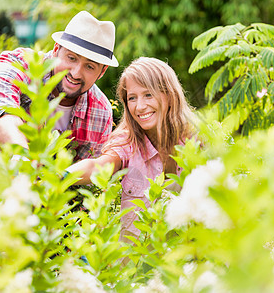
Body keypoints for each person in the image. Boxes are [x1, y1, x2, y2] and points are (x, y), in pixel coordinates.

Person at [0, 11, 119, 161]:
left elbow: (85, 177)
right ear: (56, 50)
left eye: (89, 66)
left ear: (102, 71)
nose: (76, 73)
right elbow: (5, 120)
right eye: (71, 58)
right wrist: (25, 164)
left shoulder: (101, 112)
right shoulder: (15, 65)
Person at [66, 57, 196, 240]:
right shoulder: (127, 141)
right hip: (134, 263)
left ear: (169, 94)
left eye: (148, 94)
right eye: (132, 98)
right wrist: (61, 176)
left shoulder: (198, 139)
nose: (140, 107)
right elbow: (99, 166)